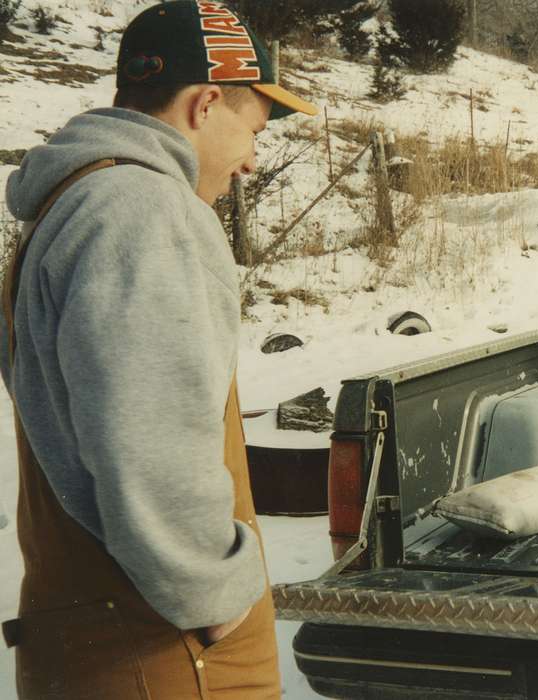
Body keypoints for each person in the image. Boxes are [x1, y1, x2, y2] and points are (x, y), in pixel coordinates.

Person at [0, 2, 317, 697]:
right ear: (206, 103)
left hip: (86, 634)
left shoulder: (71, 202)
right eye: (253, 132)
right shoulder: (144, 210)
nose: (249, 164)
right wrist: (216, 598)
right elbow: (150, 436)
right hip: (165, 650)